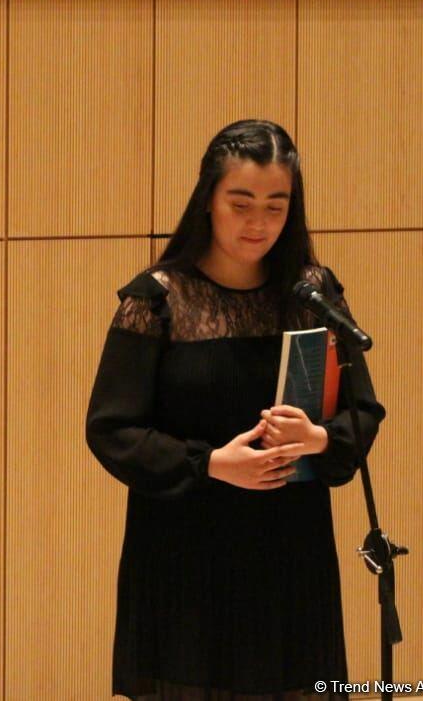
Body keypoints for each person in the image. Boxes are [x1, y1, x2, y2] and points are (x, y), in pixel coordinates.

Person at [85, 119, 385, 701]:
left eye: (276, 206)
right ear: (208, 200)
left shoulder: (313, 294)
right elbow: (112, 429)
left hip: (291, 551)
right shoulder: (157, 299)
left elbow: (363, 411)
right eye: (240, 203)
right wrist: (211, 464)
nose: (258, 223)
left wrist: (319, 439)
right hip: (184, 552)